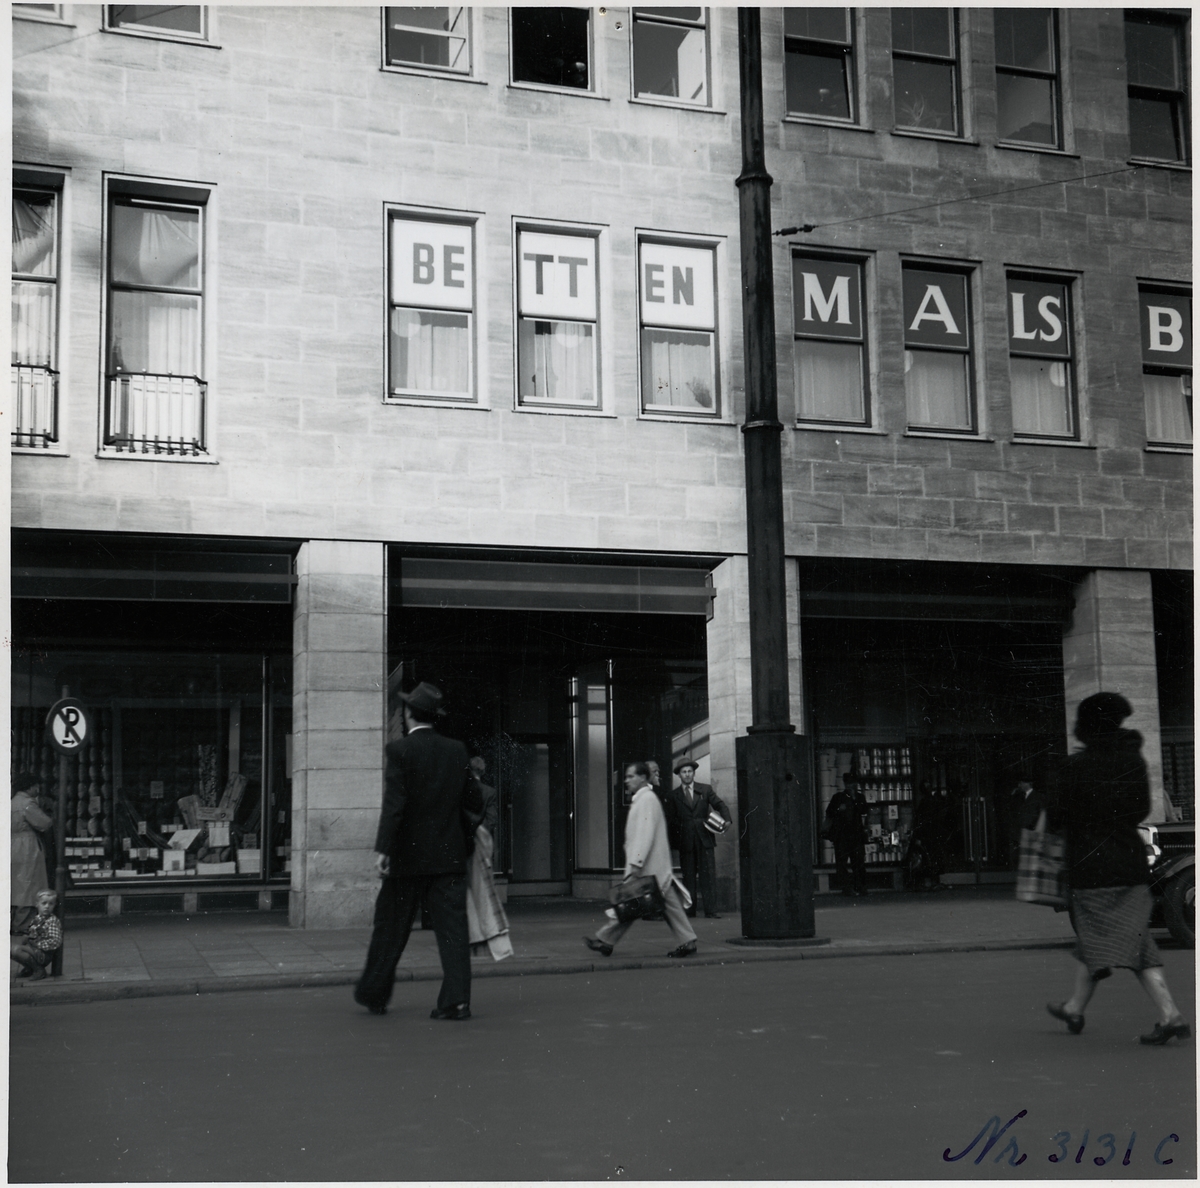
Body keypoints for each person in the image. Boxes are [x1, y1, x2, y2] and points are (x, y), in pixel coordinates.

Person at [1045, 692, 1190, 1046]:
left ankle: (1168, 1014)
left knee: (1104, 939)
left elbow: (1057, 817)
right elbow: (1140, 810)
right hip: (1130, 865)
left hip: (1091, 869)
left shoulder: (1074, 767)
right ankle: (1076, 1008)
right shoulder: (1132, 761)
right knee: (1120, 939)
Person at [354, 681, 484, 1020]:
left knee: (390, 928)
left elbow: (394, 806)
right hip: (448, 856)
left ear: (408, 714)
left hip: (407, 858)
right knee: (453, 933)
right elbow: (474, 800)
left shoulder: (399, 751)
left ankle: (375, 993)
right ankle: (457, 1002)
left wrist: (383, 850)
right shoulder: (457, 750)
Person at [584, 762, 698, 959]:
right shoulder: (645, 799)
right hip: (652, 867)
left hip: (648, 867)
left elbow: (644, 834)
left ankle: (606, 941)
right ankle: (687, 941)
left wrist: (636, 863)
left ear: (643, 778)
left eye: (631, 776)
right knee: (639, 904)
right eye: (627, 777)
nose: (626, 781)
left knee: (631, 903)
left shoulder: (646, 800)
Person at [664, 758, 731, 918]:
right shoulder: (673, 795)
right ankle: (690, 909)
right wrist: (674, 841)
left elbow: (720, 804)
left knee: (708, 875)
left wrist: (727, 819)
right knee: (688, 876)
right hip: (685, 841)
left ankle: (711, 910)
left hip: (704, 839)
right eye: (684, 772)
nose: (687, 774)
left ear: (694, 773)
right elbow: (670, 820)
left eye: (689, 771)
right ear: (679, 775)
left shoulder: (705, 790)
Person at [11, 772, 53, 934]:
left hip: (12, 845)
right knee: (29, 885)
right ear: (29, 787)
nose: (38, 789)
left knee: (15, 885)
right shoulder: (28, 804)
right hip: (27, 847)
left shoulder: (12, 802)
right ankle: (23, 924)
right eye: (36, 786)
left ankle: (13, 921)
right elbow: (44, 823)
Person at [823, 773, 867, 896]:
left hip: (856, 834)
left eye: (852, 783)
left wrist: (854, 800)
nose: (850, 786)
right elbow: (829, 812)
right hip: (842, 835)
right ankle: (846, 887)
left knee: (858, 861)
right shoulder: (838, 797)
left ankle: (859, 885)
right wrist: (839, 809)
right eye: (848, 783)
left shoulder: (860, 797)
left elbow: (864, 810)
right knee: (842, 862)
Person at [11, 889, 62, 981]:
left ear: (54, 905)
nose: (47, 906)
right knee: (10, 950)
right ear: (37, 904)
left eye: (50, 904)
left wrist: (38, 944)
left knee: (16, 950)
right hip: (34, 950)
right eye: (44, 903)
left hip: (43, 954)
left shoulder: (52, 921)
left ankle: (39, 970)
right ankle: (29, 968)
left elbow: (56, 941)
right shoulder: (37, 918)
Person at [468, 755, 498, 841]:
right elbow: (491, 820)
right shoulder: (490, 792)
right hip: (481, 840)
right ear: (483, 771)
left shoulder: (462, 789)